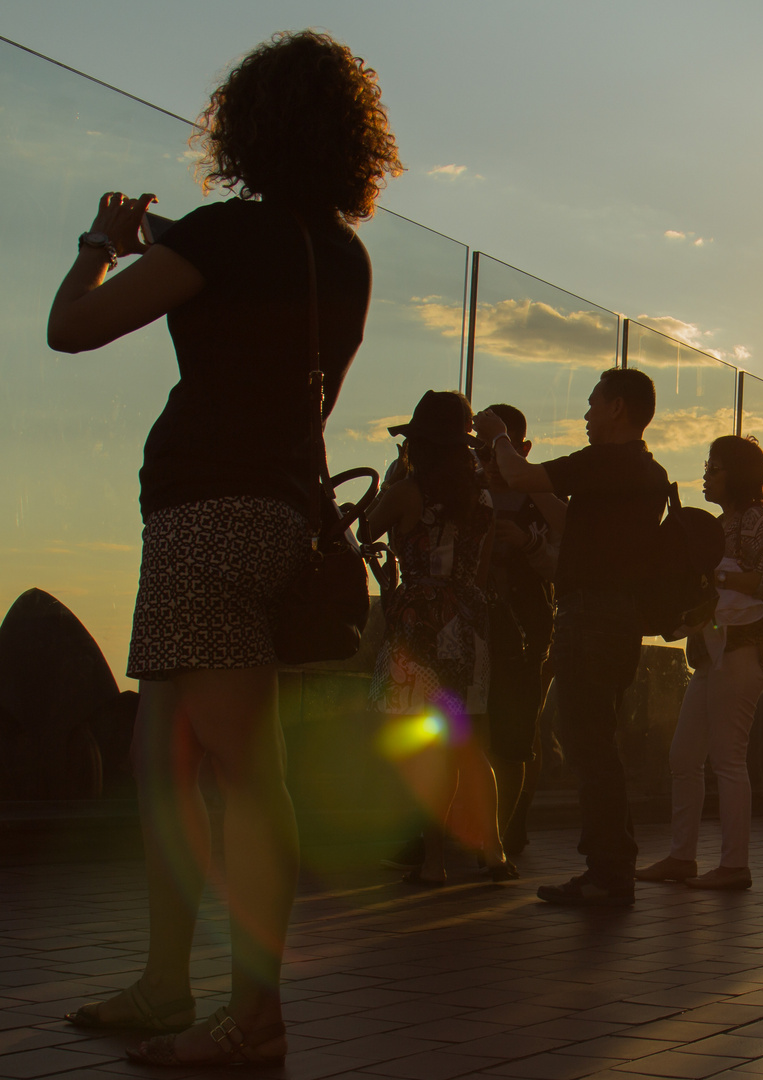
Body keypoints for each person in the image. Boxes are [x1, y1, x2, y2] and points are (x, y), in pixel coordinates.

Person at [48, 31, 398, 1067]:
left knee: (241, 778)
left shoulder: (217, 239)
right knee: (167, 759)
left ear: (246, 125)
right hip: (283, 520)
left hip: (202, 518)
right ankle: (165, 985)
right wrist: (170, 238)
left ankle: (251, 1014)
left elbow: (75, 328)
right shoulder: (342, 256)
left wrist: (100, 243)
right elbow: (242, 285)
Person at [476, 368, 668, 908]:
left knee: (586, 741)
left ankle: (608, 872)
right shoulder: (641, 472)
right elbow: (569, 521)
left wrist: (497, 437)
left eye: (592, 404)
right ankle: (611, 866)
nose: (585, 415)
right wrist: (534, 489)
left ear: (618, 408)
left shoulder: (608, 462)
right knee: (594, 739)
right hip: (615, 619)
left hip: (591, 617)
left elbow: (518, 474)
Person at [365, 391, 510, 885]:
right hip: (469, 620)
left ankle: (432, 863)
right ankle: (494, 852)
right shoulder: (483, 497)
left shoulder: (409, 490)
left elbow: (366, 528)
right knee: (471, 745)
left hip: (420, 623)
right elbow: (483, 567)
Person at [637, 436, 763, 891]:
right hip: (713, 655)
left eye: (714, 467)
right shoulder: (720, 525)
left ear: (735, 475)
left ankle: (734, 865)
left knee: (726, 760)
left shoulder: (757, 524)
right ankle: (683, 857)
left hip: (741, 653)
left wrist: (713, 573)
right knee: (684, 756)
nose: (706, 474)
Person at [478, 403, 565, 859]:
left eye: (497, 451)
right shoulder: (468, 492)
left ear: (521, 450)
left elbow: (567, 558)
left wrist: (527, 543)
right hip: (474, 627)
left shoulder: (541, 500)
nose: (489, 464)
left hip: (529, 628)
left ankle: (512, 824)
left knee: (519, 731)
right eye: (482, 452)